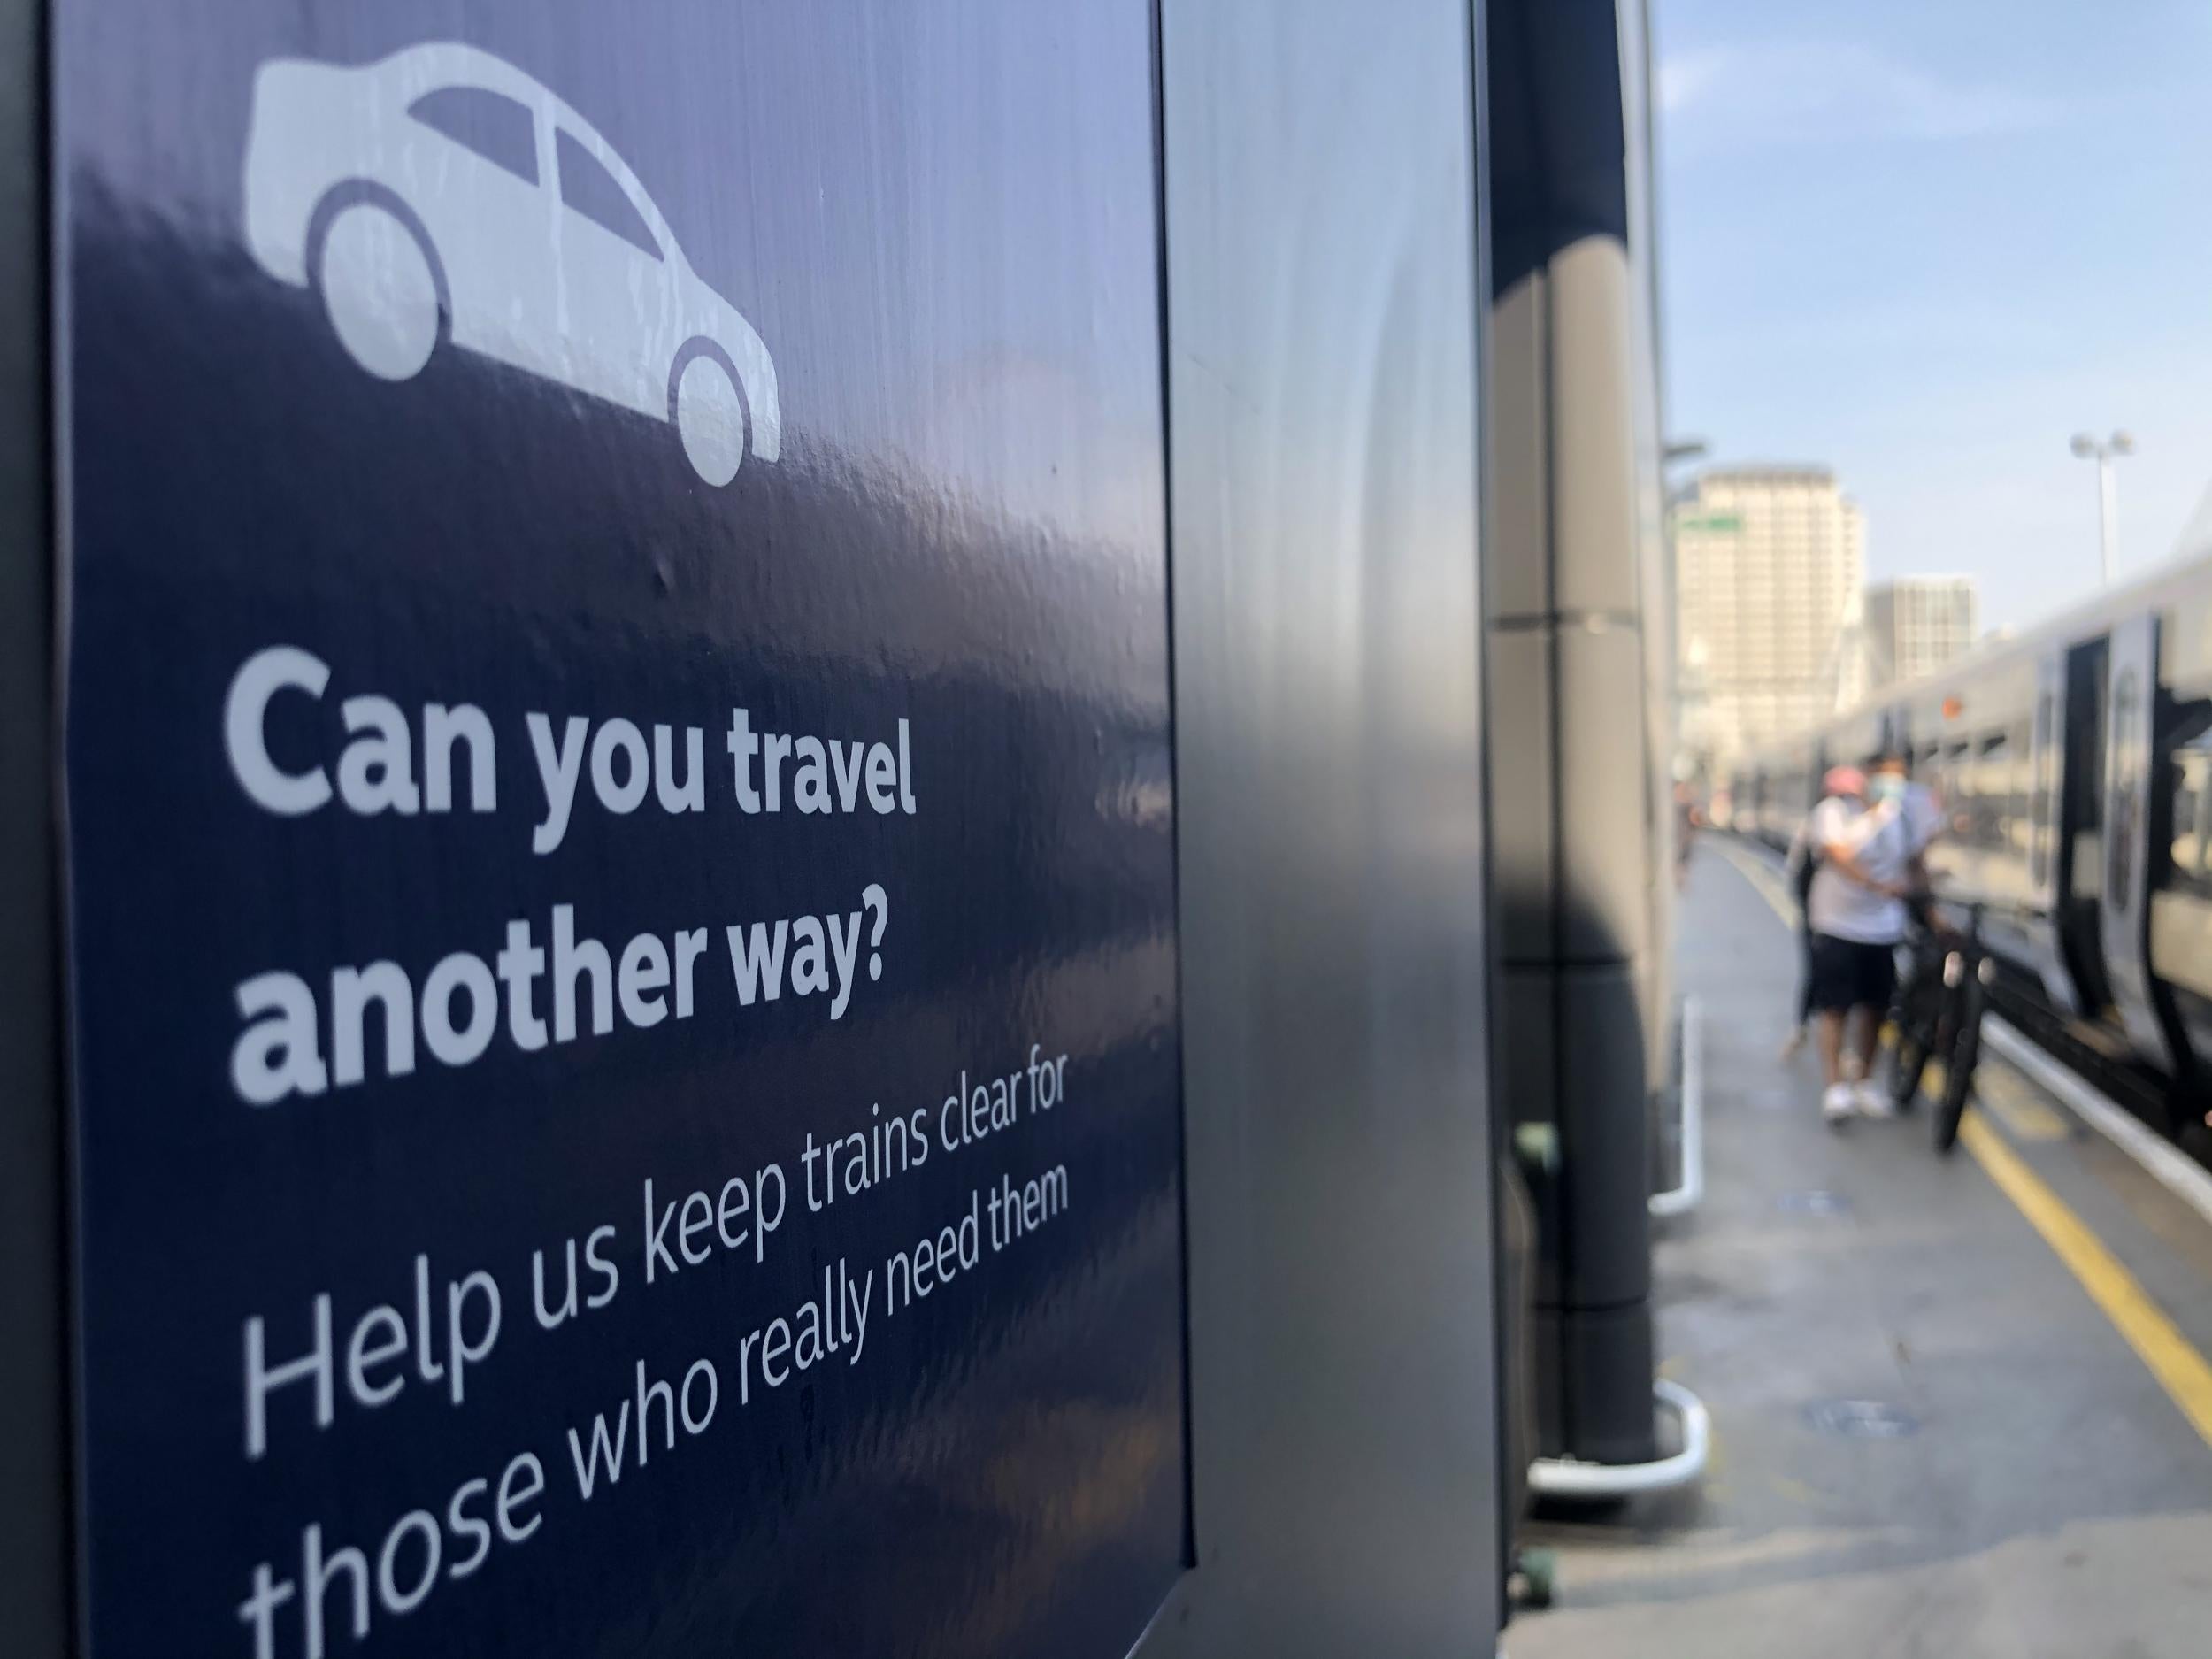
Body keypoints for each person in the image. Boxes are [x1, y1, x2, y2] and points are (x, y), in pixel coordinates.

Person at [1804, 757, 1916, 1123]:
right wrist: (1875, 884)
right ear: (1865, 778)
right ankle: (1835, 1088)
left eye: (1898, 779)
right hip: (1837, 925)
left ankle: (1864, 1081)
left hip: (1884, 928)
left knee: (1876, 1007)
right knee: (1835, 1007)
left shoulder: (1900, 817)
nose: (1891, 785)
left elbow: (1915, 862)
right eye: (1885, 777)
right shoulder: (1834, 812)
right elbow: (1839, 855)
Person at [1781, 765, 1863, 1059]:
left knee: (1822, 975)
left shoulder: (1833, 820)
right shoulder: (1826, 820)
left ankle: (1801, 1030)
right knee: (1826, 978)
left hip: (1829, 918)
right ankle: (1806, 1030)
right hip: (1826, 918)